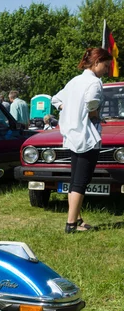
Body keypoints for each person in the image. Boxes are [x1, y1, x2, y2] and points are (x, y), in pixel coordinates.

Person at [52, 47, 113, 233]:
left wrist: (69, 109)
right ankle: (71, 225)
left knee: (74, 180)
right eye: (106, 65)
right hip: (87, 137)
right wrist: (94, 115)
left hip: (72, 136)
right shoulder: (95, 83)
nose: (107, 69)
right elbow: (91, 104)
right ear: (96, 63)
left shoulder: (75, 81)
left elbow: (56, 99)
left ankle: (77, 220)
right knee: (80, 182)